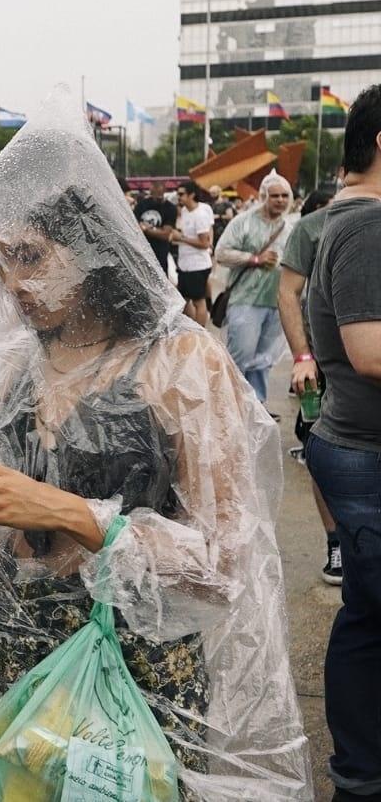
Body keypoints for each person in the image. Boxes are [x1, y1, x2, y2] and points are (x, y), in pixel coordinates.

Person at [0, 89, 310, 800]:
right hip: (11, 650)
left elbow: (226, 557)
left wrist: (73, 514)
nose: (15, 284)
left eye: (31, 257)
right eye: (2, 261)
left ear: (93, 247)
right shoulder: (12, 367)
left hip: (135, 662)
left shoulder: (180, 363)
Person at [305, 83, 381, 802]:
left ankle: (360, 768)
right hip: (366, 453)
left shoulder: (347, 219)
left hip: (356, 448)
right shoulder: (366, 226)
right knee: (369, 619)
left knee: (367, 615)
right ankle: (360, 772)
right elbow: (369, 352)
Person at [277, 187, 342, 586]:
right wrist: (302, 356)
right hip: (322, 364)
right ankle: (336, 541)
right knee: (321, 451)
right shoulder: (311, 229)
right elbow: (287, 292)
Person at [215, 171, 296, 405]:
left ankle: (257, 406)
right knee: (240, 356)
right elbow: (221, 253)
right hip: (245, 300)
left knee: (263, 360)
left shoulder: (289, 228)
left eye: (284, 195)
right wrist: (254, 259)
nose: (280, 200)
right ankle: (232, 405)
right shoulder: (243, 222)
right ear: (263, 196)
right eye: (275, 196)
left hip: (275, 302)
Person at [172, 181, 214, 325]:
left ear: (191, 195)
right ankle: (190, 327)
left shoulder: (200, 215)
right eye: (178, 194)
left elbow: (204, 243)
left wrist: (181, 238)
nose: (179, 197)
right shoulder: (184, 211)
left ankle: (201, 332)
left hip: (197, 265)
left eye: (181, 194)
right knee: (183, 300)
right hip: (185, 264)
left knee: (198, 302)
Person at [135, 181, 178, 276]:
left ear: (164, 192)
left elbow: (165, 235)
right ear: (151, 192)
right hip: (142, 252)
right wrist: (156, 231)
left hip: (160, 253)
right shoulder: (141, 206)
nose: (158, 197)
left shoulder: (170, 208)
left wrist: (146, 229)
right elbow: (134, 227)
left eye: (160, 195)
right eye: (155, 194)